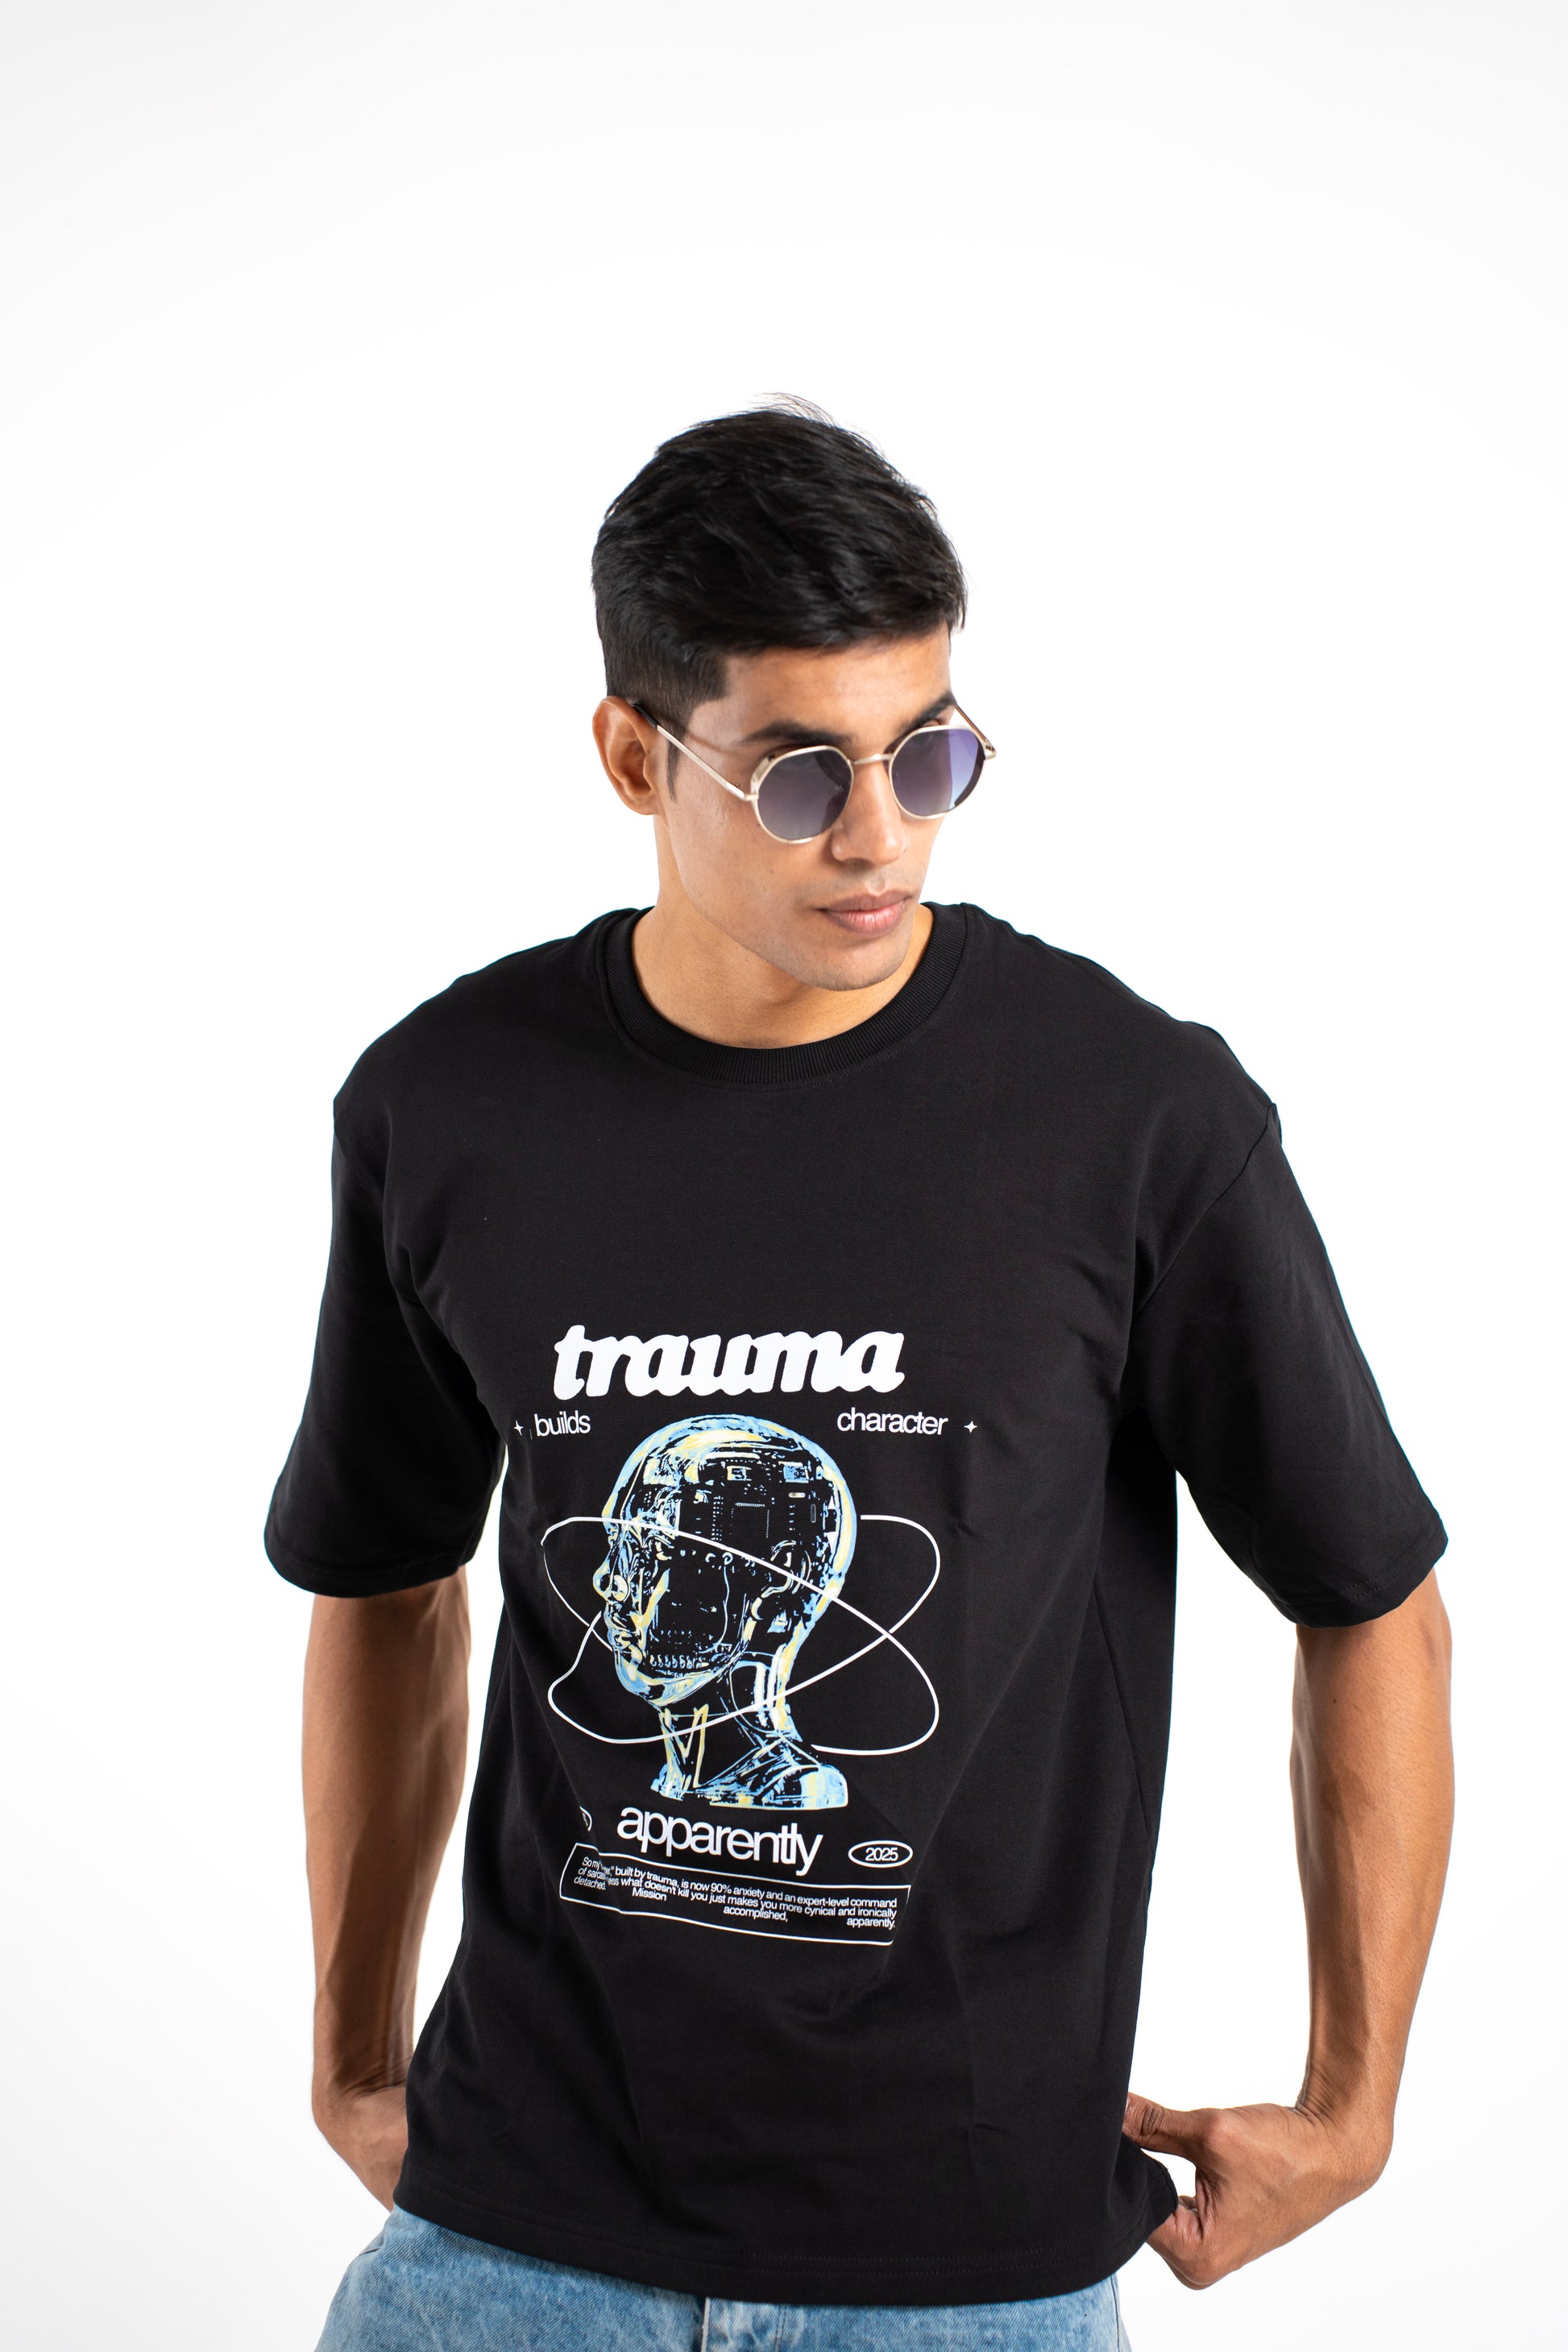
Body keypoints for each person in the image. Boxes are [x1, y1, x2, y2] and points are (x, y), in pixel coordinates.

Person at [267, 406, 1454, 2352]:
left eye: (932, 751)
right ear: (634, 756)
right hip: (505, 2244)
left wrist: (1354, 2103)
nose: (883, 829)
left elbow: (1372, 1596)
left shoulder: (1129, 1116)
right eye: (804, 771)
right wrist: (350, 2050)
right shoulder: (446, 1105)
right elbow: (384, 1582)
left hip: (965, 2271)